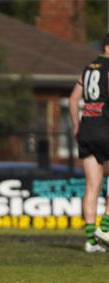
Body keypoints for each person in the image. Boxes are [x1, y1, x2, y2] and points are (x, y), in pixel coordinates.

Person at [69, 33, 109, 253]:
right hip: (105, 127)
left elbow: (74, 98)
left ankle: (89, 241)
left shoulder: (87, 68)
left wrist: (76, 125)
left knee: (92, 185)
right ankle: (106, 227)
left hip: (87, 129)